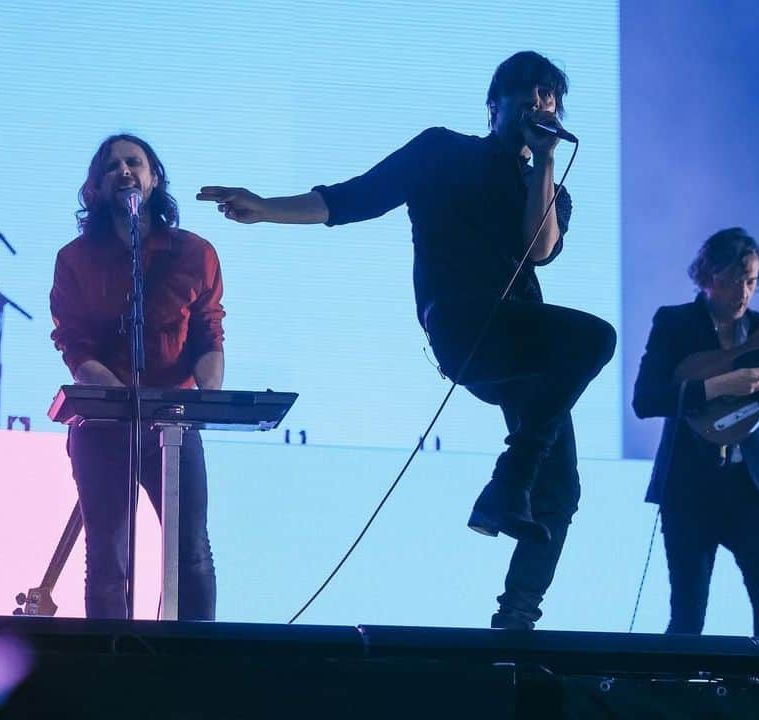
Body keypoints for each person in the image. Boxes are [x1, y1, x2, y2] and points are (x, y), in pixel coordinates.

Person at [197, 51, 615, 630]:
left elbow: (539, 247)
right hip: (465, 325)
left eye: (549, 98)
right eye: (526, 93)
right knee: (596, 338)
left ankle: (515, 618)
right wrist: (266, 208)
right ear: (494, 106)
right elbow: (354, 198)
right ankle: (508, 482)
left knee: (562, 489)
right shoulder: (443, 150)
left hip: (523, 341)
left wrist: (542, 162)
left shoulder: (546, 187)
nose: (539, 105)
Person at [50, 134, 225, 619]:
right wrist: (121, 399)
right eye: (111, 167)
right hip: (103, 426)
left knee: (192, 550)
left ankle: (199, 662)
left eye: (134, 162)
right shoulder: (75, 259)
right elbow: (73, 342)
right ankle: (111, 669)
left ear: (154, 177)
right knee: (108, 556)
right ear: (96, 187)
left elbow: (210, 332)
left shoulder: (195, 253)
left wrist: (209, 395)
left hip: (174, 424)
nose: (123, 171)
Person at [632, 227, 759, 636]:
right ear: (708, 276)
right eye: (734, 280)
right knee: (688, 613)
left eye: (751, 281)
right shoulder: (675, 323)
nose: (743, 292)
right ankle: (673, 695)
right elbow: (646, 400)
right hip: (687, 488)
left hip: (750, 489)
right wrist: (720, 385)